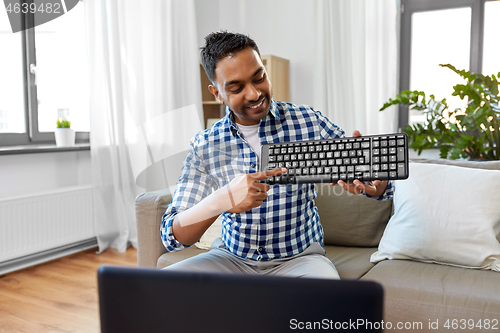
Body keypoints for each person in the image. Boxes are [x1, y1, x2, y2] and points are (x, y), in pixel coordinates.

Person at [160, 31, 393, 279]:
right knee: (162, 288)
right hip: (231, 258)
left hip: (301, 260)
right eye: (237, 88)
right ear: (216, 93)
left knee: (328, 299)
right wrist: (223, 199)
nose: (254, 94)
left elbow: (378, 180)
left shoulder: (309, 122)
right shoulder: (205, 145)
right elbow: (172, 237)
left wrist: (378, 185)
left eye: (259, 78)